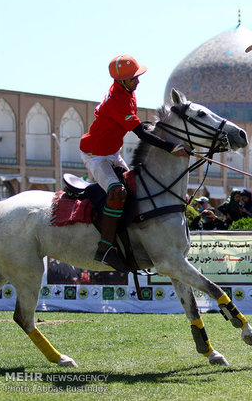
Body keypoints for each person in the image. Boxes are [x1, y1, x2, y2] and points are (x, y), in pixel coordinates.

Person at [79, 55, 189, 271]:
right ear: (120, 81)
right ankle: (104, 249)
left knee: (137, 189)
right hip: (96, 155)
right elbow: (141, 134)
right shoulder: (118, 101)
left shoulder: (127, 93)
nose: (137, 81)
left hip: (112, 152)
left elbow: (135, 126)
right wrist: (171, 148)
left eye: (137, 76)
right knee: (117, 193)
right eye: (132, 79)